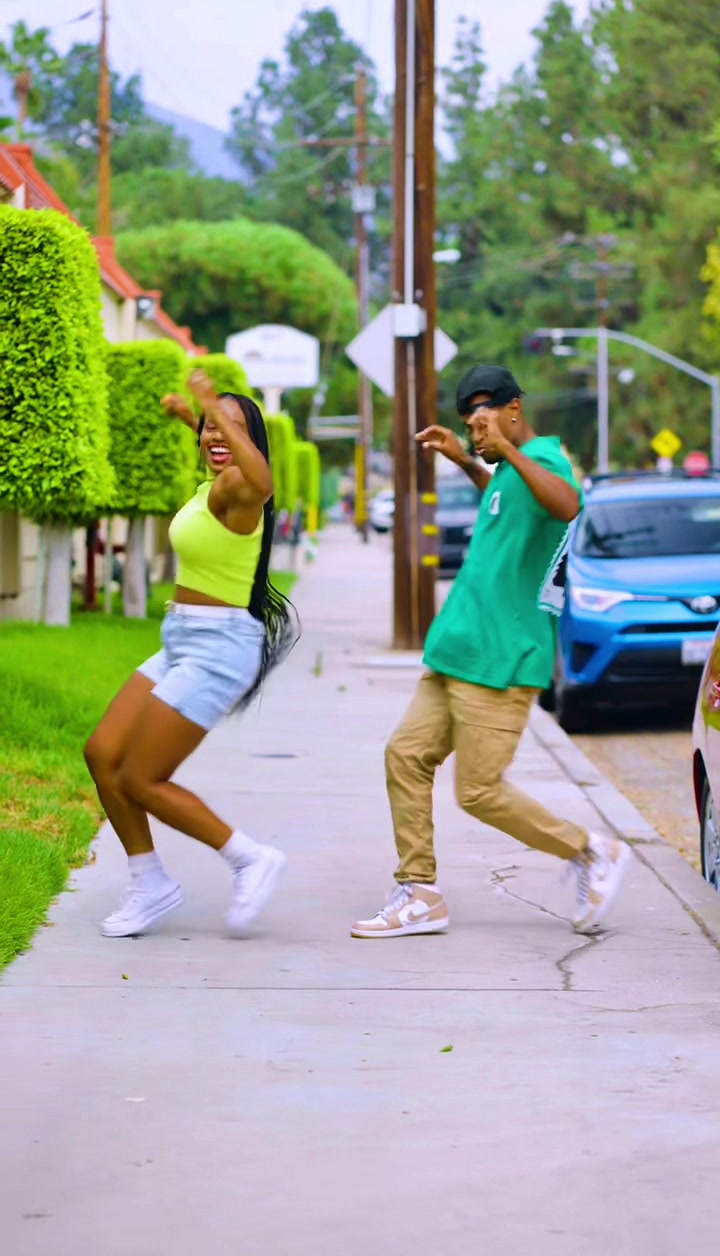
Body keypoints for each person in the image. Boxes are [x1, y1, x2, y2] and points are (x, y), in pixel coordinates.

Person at [352, 364, 629, 940]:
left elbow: (567, 504)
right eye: (468, 422)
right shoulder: (505, 473)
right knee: (405, 755)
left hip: (501, 658)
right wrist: (466, 461)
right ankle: (420, 893)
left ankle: (590, 851)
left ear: (514, 409)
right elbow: (508, 506)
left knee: (478, 791)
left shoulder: (544, 461)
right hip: (458, 649)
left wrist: (506, 451)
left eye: (483, 417)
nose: (476, 430)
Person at [84, 371, 297, 939]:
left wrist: (209, 405)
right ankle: (149, 881)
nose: (215, 435)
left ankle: (249, 858)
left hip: (219, 648)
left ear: (252, 441)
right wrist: (192, 417)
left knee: (141, 777)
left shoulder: (240, 492)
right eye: (209, 429)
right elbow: (218, 444)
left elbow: (261, 476)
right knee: (102, 753)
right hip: (182, 637)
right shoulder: (213, 481)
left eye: (231, 427)